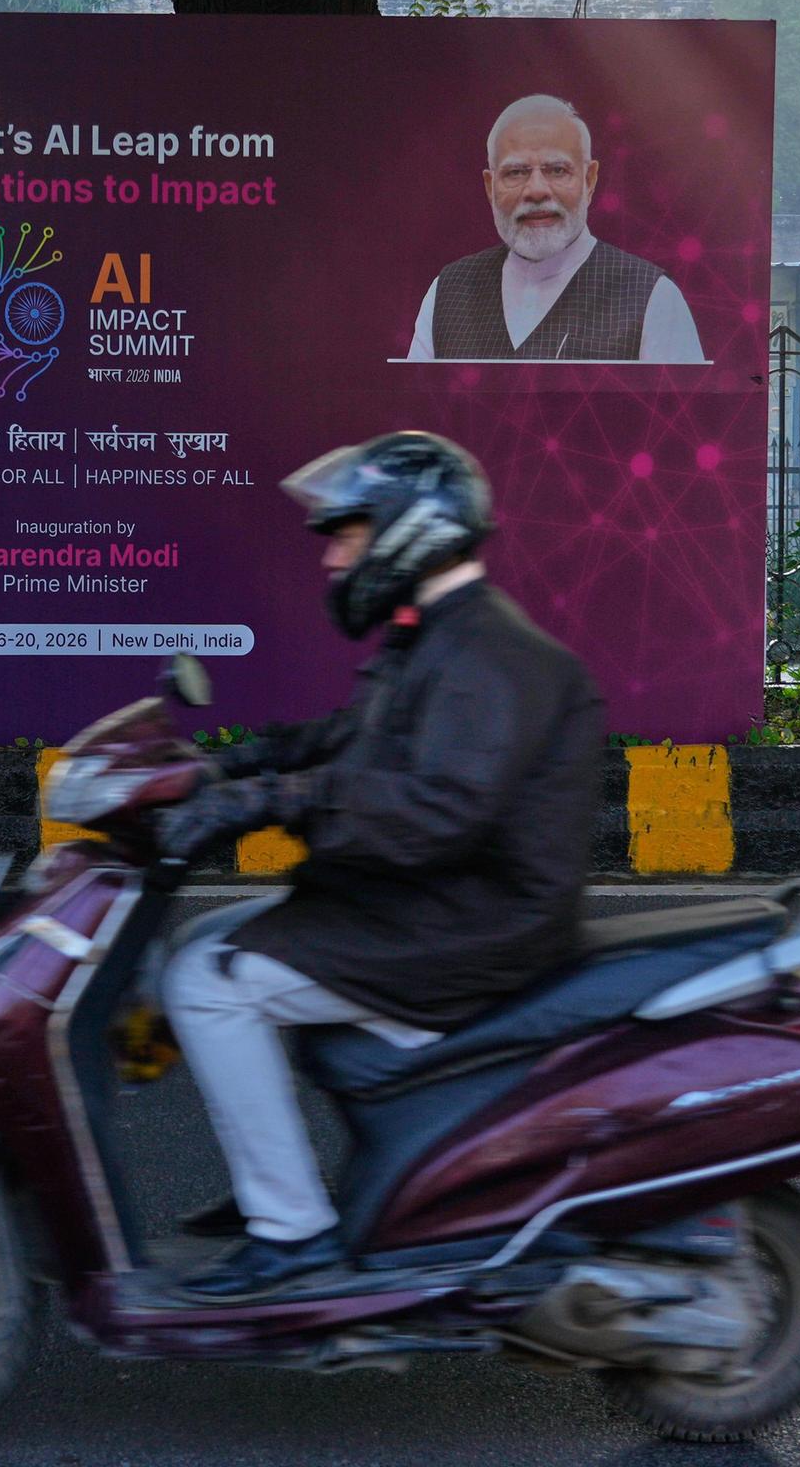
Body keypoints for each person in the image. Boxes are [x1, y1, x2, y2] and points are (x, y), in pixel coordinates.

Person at [153, 431, 603, 1299]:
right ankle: (286, 1193)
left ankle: (291, 1234)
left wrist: (271, 802)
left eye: (347, 534)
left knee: (209, 981)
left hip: (473, 929)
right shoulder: (435, 636)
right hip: (441, 905)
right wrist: (235, 765)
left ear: (406, 532)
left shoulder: (485, 658)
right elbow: (355, 741)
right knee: (211, 936)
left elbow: (434, 810)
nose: (330, 554)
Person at [406, 94, 704, 362]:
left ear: (589, 180)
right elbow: (416, 413)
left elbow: (683, 421)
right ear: (490, 186)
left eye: (557, 170)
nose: (536, 191)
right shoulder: (447, 292)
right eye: (516, 172)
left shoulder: (654, 298)